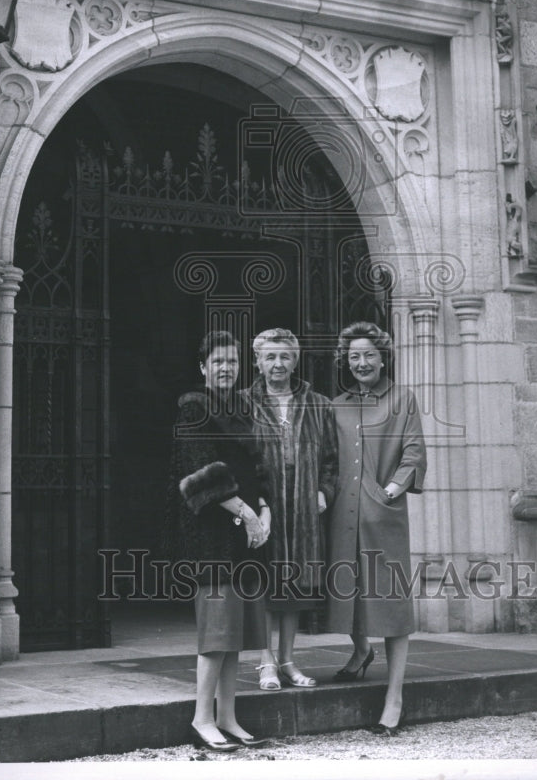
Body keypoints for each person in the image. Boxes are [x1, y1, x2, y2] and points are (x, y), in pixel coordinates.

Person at [168, 331, 270, 752]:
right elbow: (202, 475)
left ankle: (228, 716)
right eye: (218, 362)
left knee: (237, 633)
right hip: (212, 537)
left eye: (232, 361)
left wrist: (264, 512)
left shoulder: (240, 411)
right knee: (216, 634)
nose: (226, 368)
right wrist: (247, 514)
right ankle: (202, 718)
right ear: (203, 368)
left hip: (244, 536)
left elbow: (256, 468)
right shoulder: (194, 410)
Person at [327, 321, 427, 736]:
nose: (362, 362)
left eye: (369, 354)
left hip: (383, 514)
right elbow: (328, 460)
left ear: (383, 356)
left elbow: (414, 452)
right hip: (341, 515)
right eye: (354, 356)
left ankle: (394, 697)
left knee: (390, 603)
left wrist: (389, 491)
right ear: (345, 362)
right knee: (346, 592)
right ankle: (360, 652)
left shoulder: (403, 399)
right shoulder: (336, 405)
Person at [242, 328, 338, 690]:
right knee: (265, 583)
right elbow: (240, 459)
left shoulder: (319, 404)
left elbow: (331, 458)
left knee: (295, 587)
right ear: (257, 361)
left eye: (285, 356)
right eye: (270, 356)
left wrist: (324, 491)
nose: (277, 363)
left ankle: (288, 661)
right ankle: (266, 663)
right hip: (263, 507)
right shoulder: (242, 403)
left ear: (295, 360)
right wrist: (254, 504)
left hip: (302, 508)